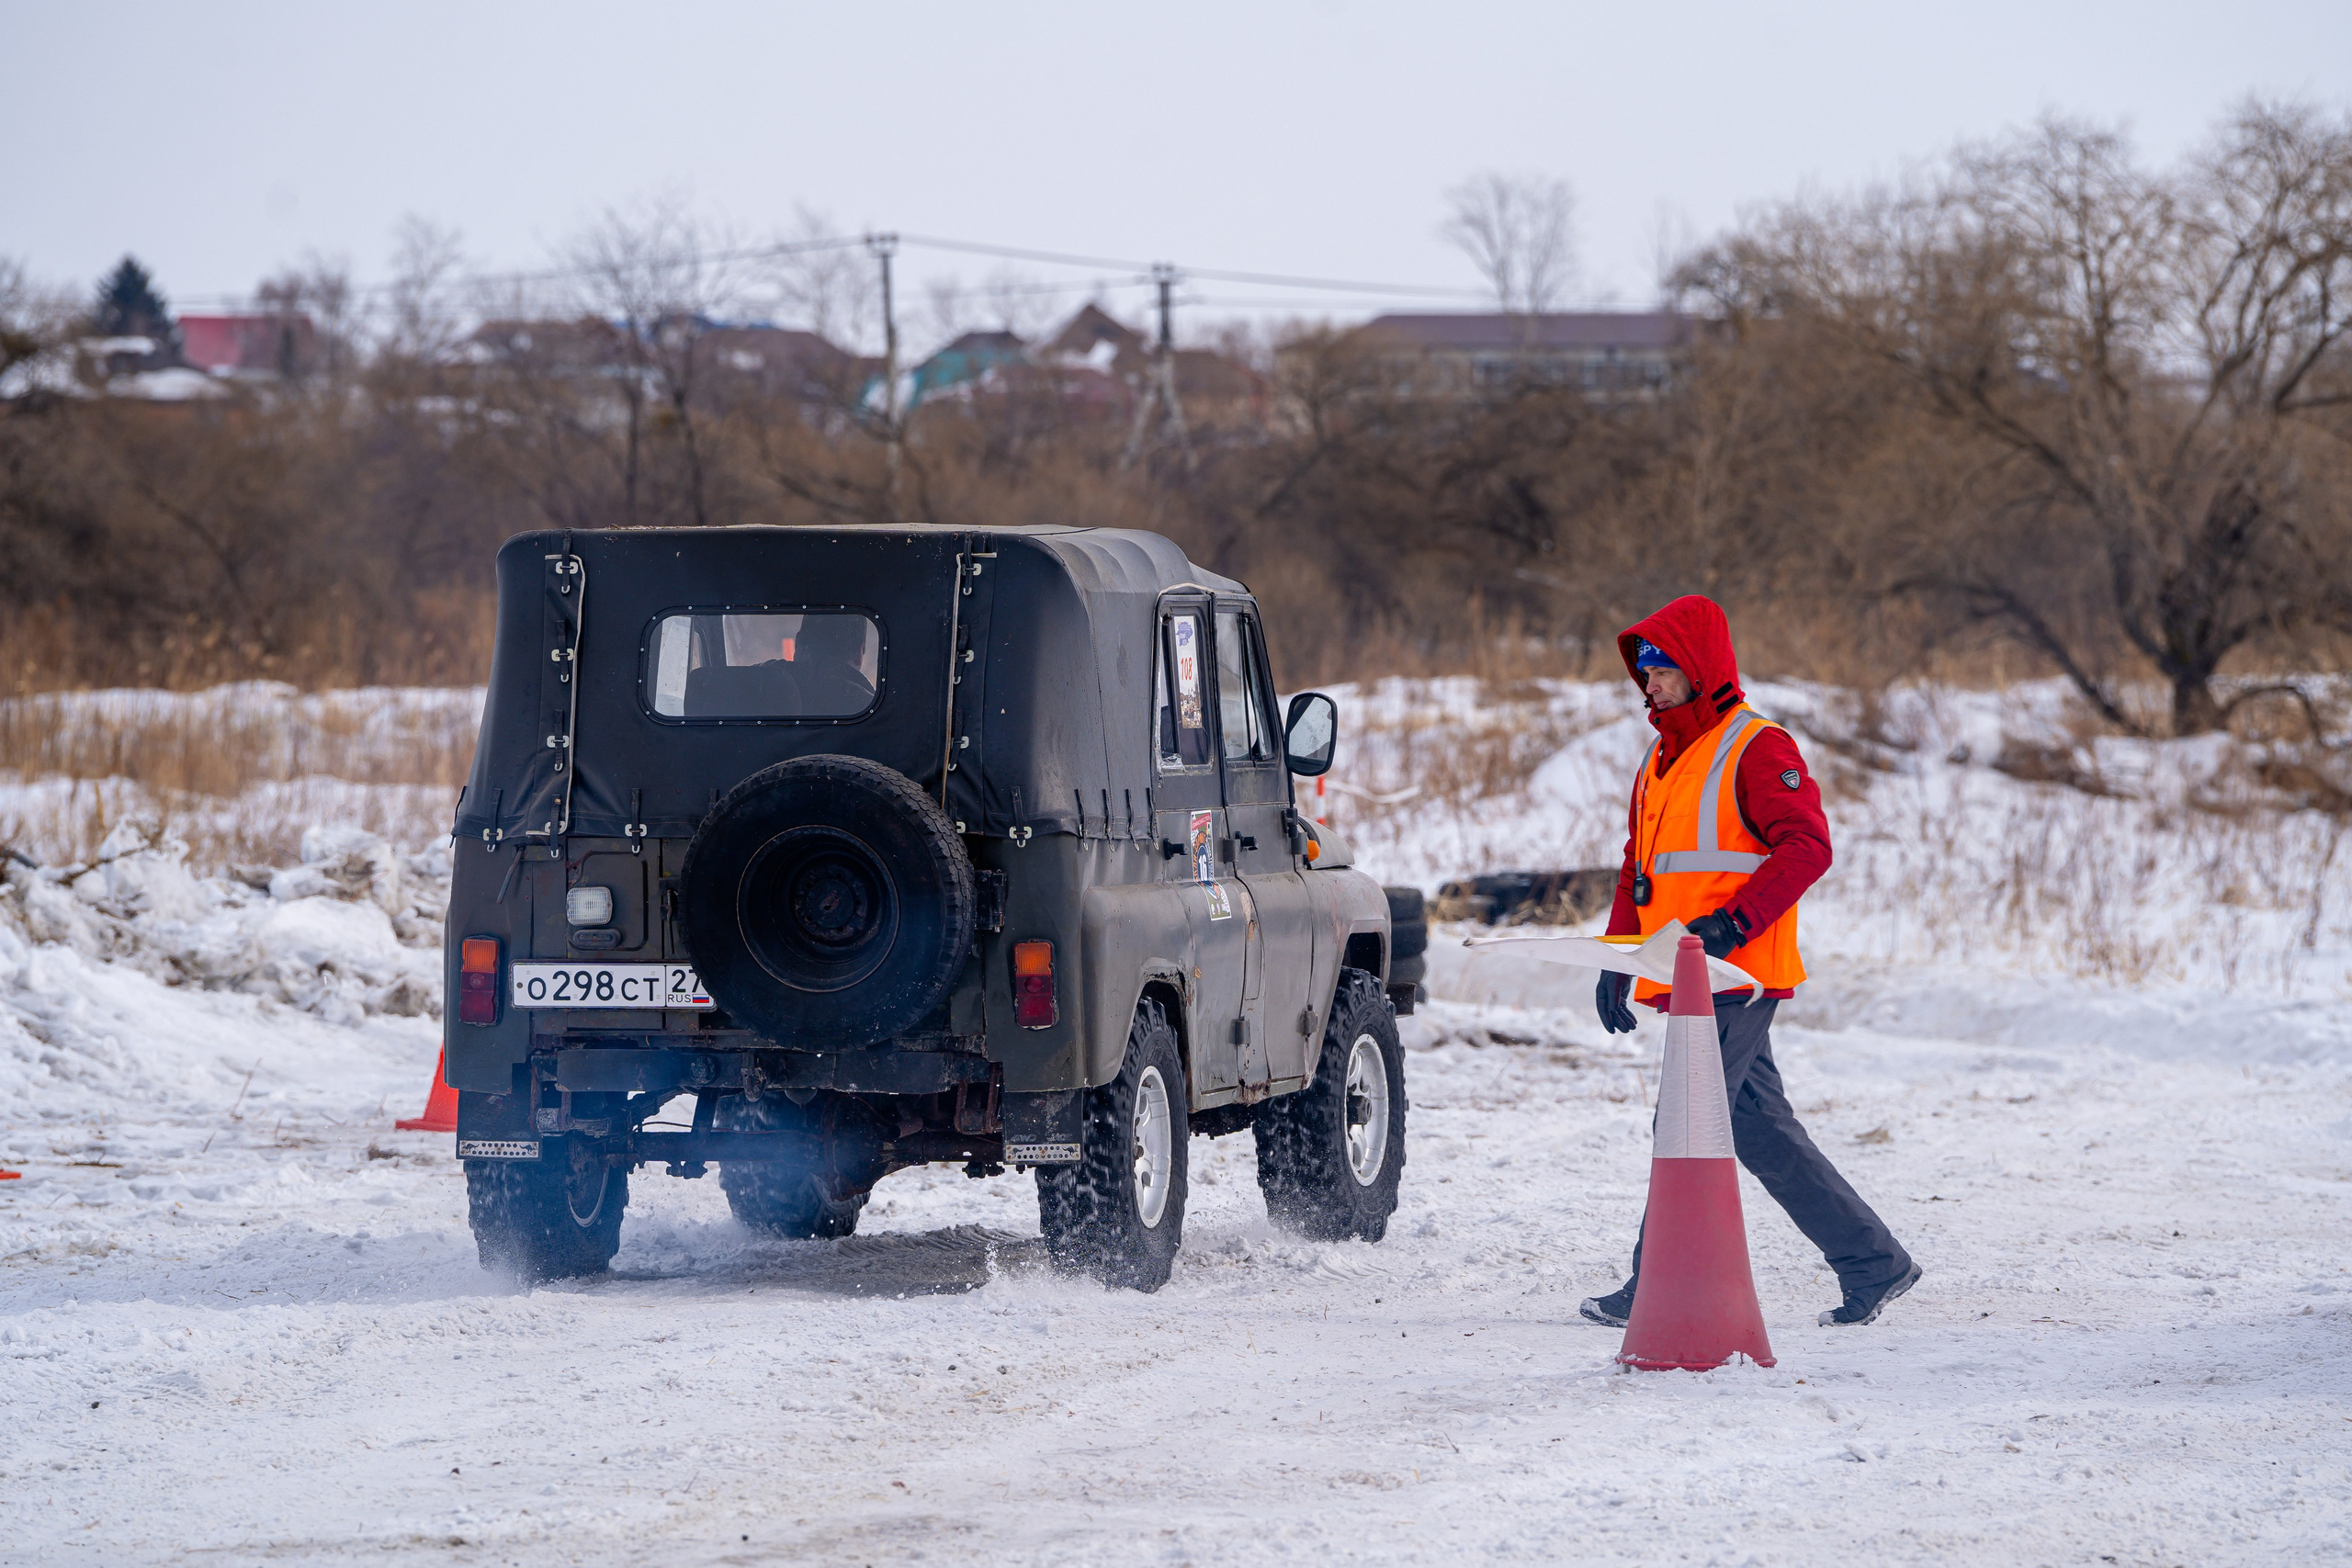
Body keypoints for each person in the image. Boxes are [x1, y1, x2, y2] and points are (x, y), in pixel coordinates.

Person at [1581, 594, 1920, 1329]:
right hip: (1687, 974)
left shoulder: (1757, 746)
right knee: (1757, 1126)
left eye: (1660, 667)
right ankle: (1874, 1261)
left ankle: (1654, 1285)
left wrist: (1735, 922)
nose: (1648, 682)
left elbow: (1809, 847)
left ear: (1697, 667)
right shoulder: (1659, 759)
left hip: (1737, 972)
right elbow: (1639, 869)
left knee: (1682, 1120)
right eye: (1643, 670)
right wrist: (1618, 956)